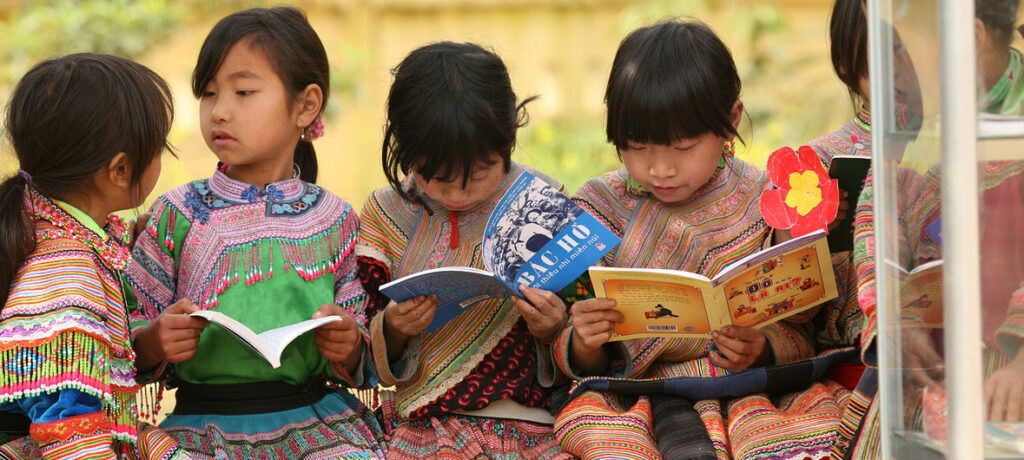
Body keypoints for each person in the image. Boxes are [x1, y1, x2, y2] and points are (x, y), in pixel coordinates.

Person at [550, 20, 817, 459]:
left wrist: (763, 346)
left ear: (730, 121)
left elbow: (804, 322)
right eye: (637, 145)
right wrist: (585, 343)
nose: (660, 169)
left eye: (683, 145)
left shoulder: (767, 203)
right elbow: (571, 341)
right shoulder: (593, 214)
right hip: (633, 400)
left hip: (751, 393)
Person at [124, 7, 384, 458]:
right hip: (199, 434)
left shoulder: (336, 218)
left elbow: (361, 338)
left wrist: (349, 343)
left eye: (243, 91)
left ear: (306, 105)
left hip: (321, 429)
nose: (219, 111)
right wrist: (152, 343)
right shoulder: (174, 214)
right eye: (208, 94)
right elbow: (124, 331)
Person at [356, 41, 572, 459]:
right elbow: (361, 336)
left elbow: (588, 329)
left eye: (479, 173)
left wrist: (551, 327)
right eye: (437, 176)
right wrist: (395, 329)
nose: (458, 191)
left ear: (508, 139)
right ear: (405, 149)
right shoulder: (387, 215)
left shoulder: (542, 202)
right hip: (419, 426)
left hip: (531, 425)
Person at [0, 53, 189, 459]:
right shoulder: (66, 273)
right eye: (159, 147)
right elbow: (66, 425)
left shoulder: (58, 230)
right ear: (121, 171)